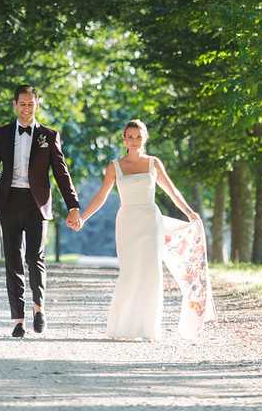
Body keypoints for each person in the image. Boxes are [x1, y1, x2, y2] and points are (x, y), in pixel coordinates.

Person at [80, 119, 215, 340]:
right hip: (127, 221)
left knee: (152, 273)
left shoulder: (154, 163)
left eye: (138, 137)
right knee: (130, 272)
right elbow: (102, 196)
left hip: (151, 221)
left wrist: (189, 212)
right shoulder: (114, 167)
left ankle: (149, 328)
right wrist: (83, 217)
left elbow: (172, 191)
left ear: (145, 138)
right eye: (130, 136)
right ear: (124, 139)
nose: (134, 141)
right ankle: (122, 326)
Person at [0, 84, 82, 338]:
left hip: (37, 203)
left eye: (31, 104)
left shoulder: (48, 136)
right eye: (22, 104)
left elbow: (61, 173)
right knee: (12, 259)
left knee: (35, 257)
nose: (27, 108)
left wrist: (73, 205)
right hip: (9, 201)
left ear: (37, 104)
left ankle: (39, 308)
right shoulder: (1, 134)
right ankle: (18, 320)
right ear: (14, 105)